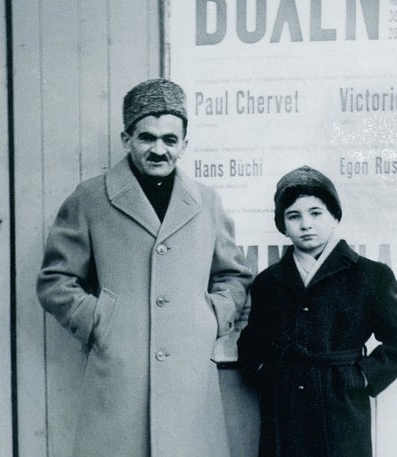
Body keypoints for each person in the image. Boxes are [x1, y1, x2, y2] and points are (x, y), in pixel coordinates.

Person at [37, 78, 252, 457]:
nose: (159, 149)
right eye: (146, 137)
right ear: (126, 139)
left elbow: (233, 275)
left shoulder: (207, 202)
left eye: (170, 139)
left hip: (189, 379)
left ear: (184, 143)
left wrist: (211, 318)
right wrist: (100, 320)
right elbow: (56, 280)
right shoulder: (90, 198)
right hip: (120, 377)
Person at [237, 165, 397, 457]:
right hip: (284, 408)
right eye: (293, 216)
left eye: (316, 213)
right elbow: (251, 343)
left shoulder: (370, 276)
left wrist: (361, 377)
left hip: (342, 406)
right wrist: (267, 375)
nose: (305, 224)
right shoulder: (269, 281)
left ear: (335, 217)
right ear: (283, 225)